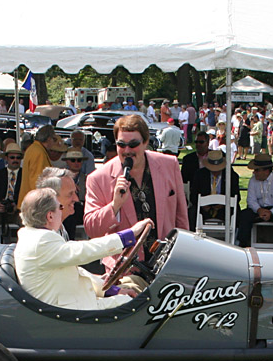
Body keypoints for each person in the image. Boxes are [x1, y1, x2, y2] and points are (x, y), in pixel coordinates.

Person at [15, 186, 151, 309]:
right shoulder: (41, 241)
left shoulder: (31, 236)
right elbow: (84, 250)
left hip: (67, 302)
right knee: (137, 301)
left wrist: (112, 291)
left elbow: (73, 270)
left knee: (133, 286)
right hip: (66, 311)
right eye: (60, 208)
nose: (61, 212)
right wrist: (129, 235)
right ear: (50, 216)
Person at [85, 114, 189, 270]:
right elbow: (92, 229)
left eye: (133, 144)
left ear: (146, 142)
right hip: (124, 271)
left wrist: (183, 259)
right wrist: (114, 206)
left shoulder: (169, 165)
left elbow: (181, 218)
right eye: (121, 145)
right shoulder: (98, 178)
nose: (127, 150)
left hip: (166, 266)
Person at [236, 152, 273, 249]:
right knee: (244, 215)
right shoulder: (253, 181)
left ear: (266, 171)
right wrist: (259, 210)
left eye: (257, 170)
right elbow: (251, 200)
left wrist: (271, 212)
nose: (254, 173)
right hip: (259, 208)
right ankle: (243, 244)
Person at [190, 149, 240, 226]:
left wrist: (224, 204)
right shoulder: (200, 174)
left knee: (236, 212)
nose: (215, 170)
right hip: (203, 208)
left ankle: (233, 235)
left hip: (224, 209)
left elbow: (236, 196)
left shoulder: (231, 175)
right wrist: (202, 205)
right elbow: (193, 195)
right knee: (192, 212)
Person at [18, 125, 61, 203]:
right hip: (34, 204)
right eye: (54, 139)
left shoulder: (33, 148)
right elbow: (37, 181)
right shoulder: (39, 152)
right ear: (48, 139)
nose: (54, 143)